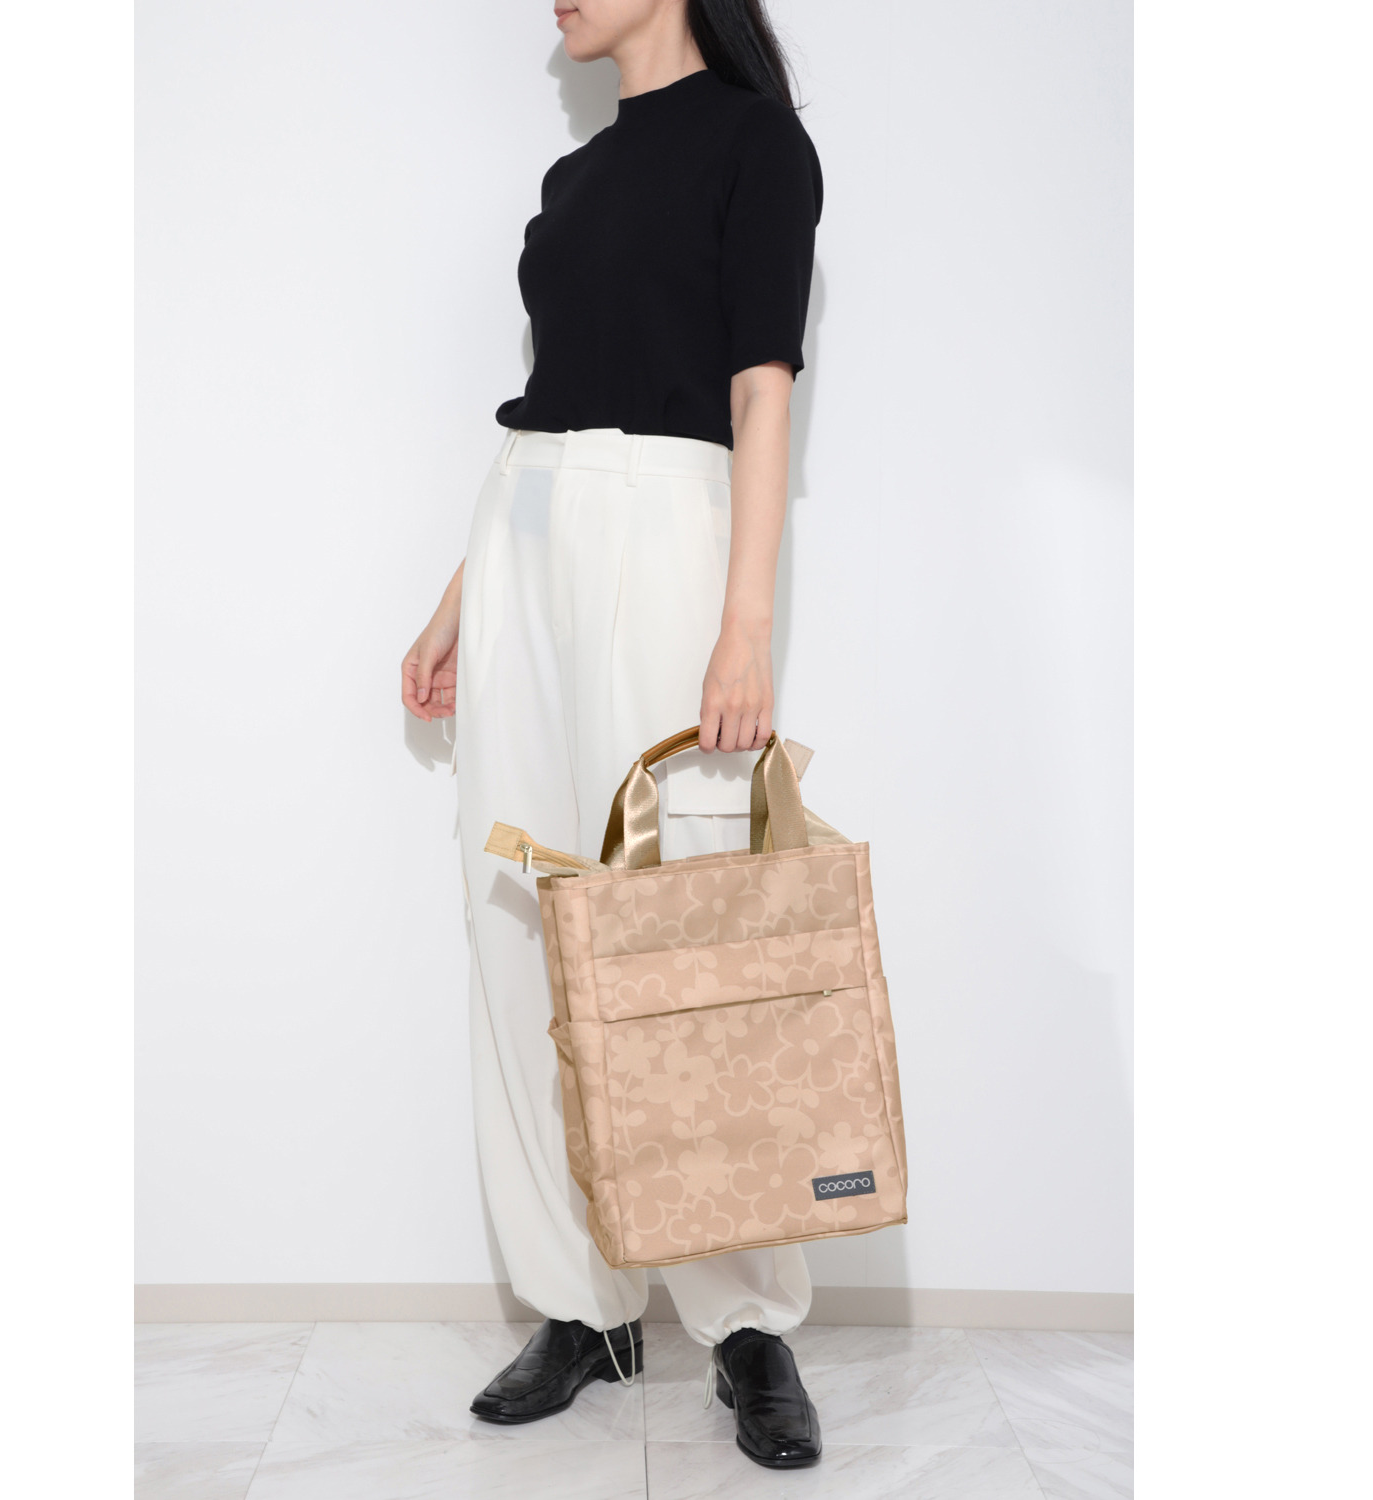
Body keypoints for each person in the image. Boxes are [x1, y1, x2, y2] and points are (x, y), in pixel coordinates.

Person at [401, 0, 824, 1471]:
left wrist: (745, 620)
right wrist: (458, 603)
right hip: (524, 537)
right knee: (520, 912)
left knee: (682, 925)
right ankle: (583, 1305)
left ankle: (747, 1322)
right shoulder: (574, 180)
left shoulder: (758, 145)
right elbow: (548, 410)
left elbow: (760, 390)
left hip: (671, 533)